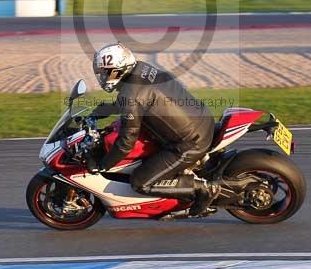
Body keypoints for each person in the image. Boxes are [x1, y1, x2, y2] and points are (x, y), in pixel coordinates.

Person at [86, 42, 219, 216]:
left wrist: (104, 164)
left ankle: (203, 189)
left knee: (141, 181)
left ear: (117, 71)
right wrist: (100, 111)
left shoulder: (130, 95)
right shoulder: (141, 69)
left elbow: (126, 142)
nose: (102, 77)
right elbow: (138, 101)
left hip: (189, 143)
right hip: (201, 120)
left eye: (105, 72)